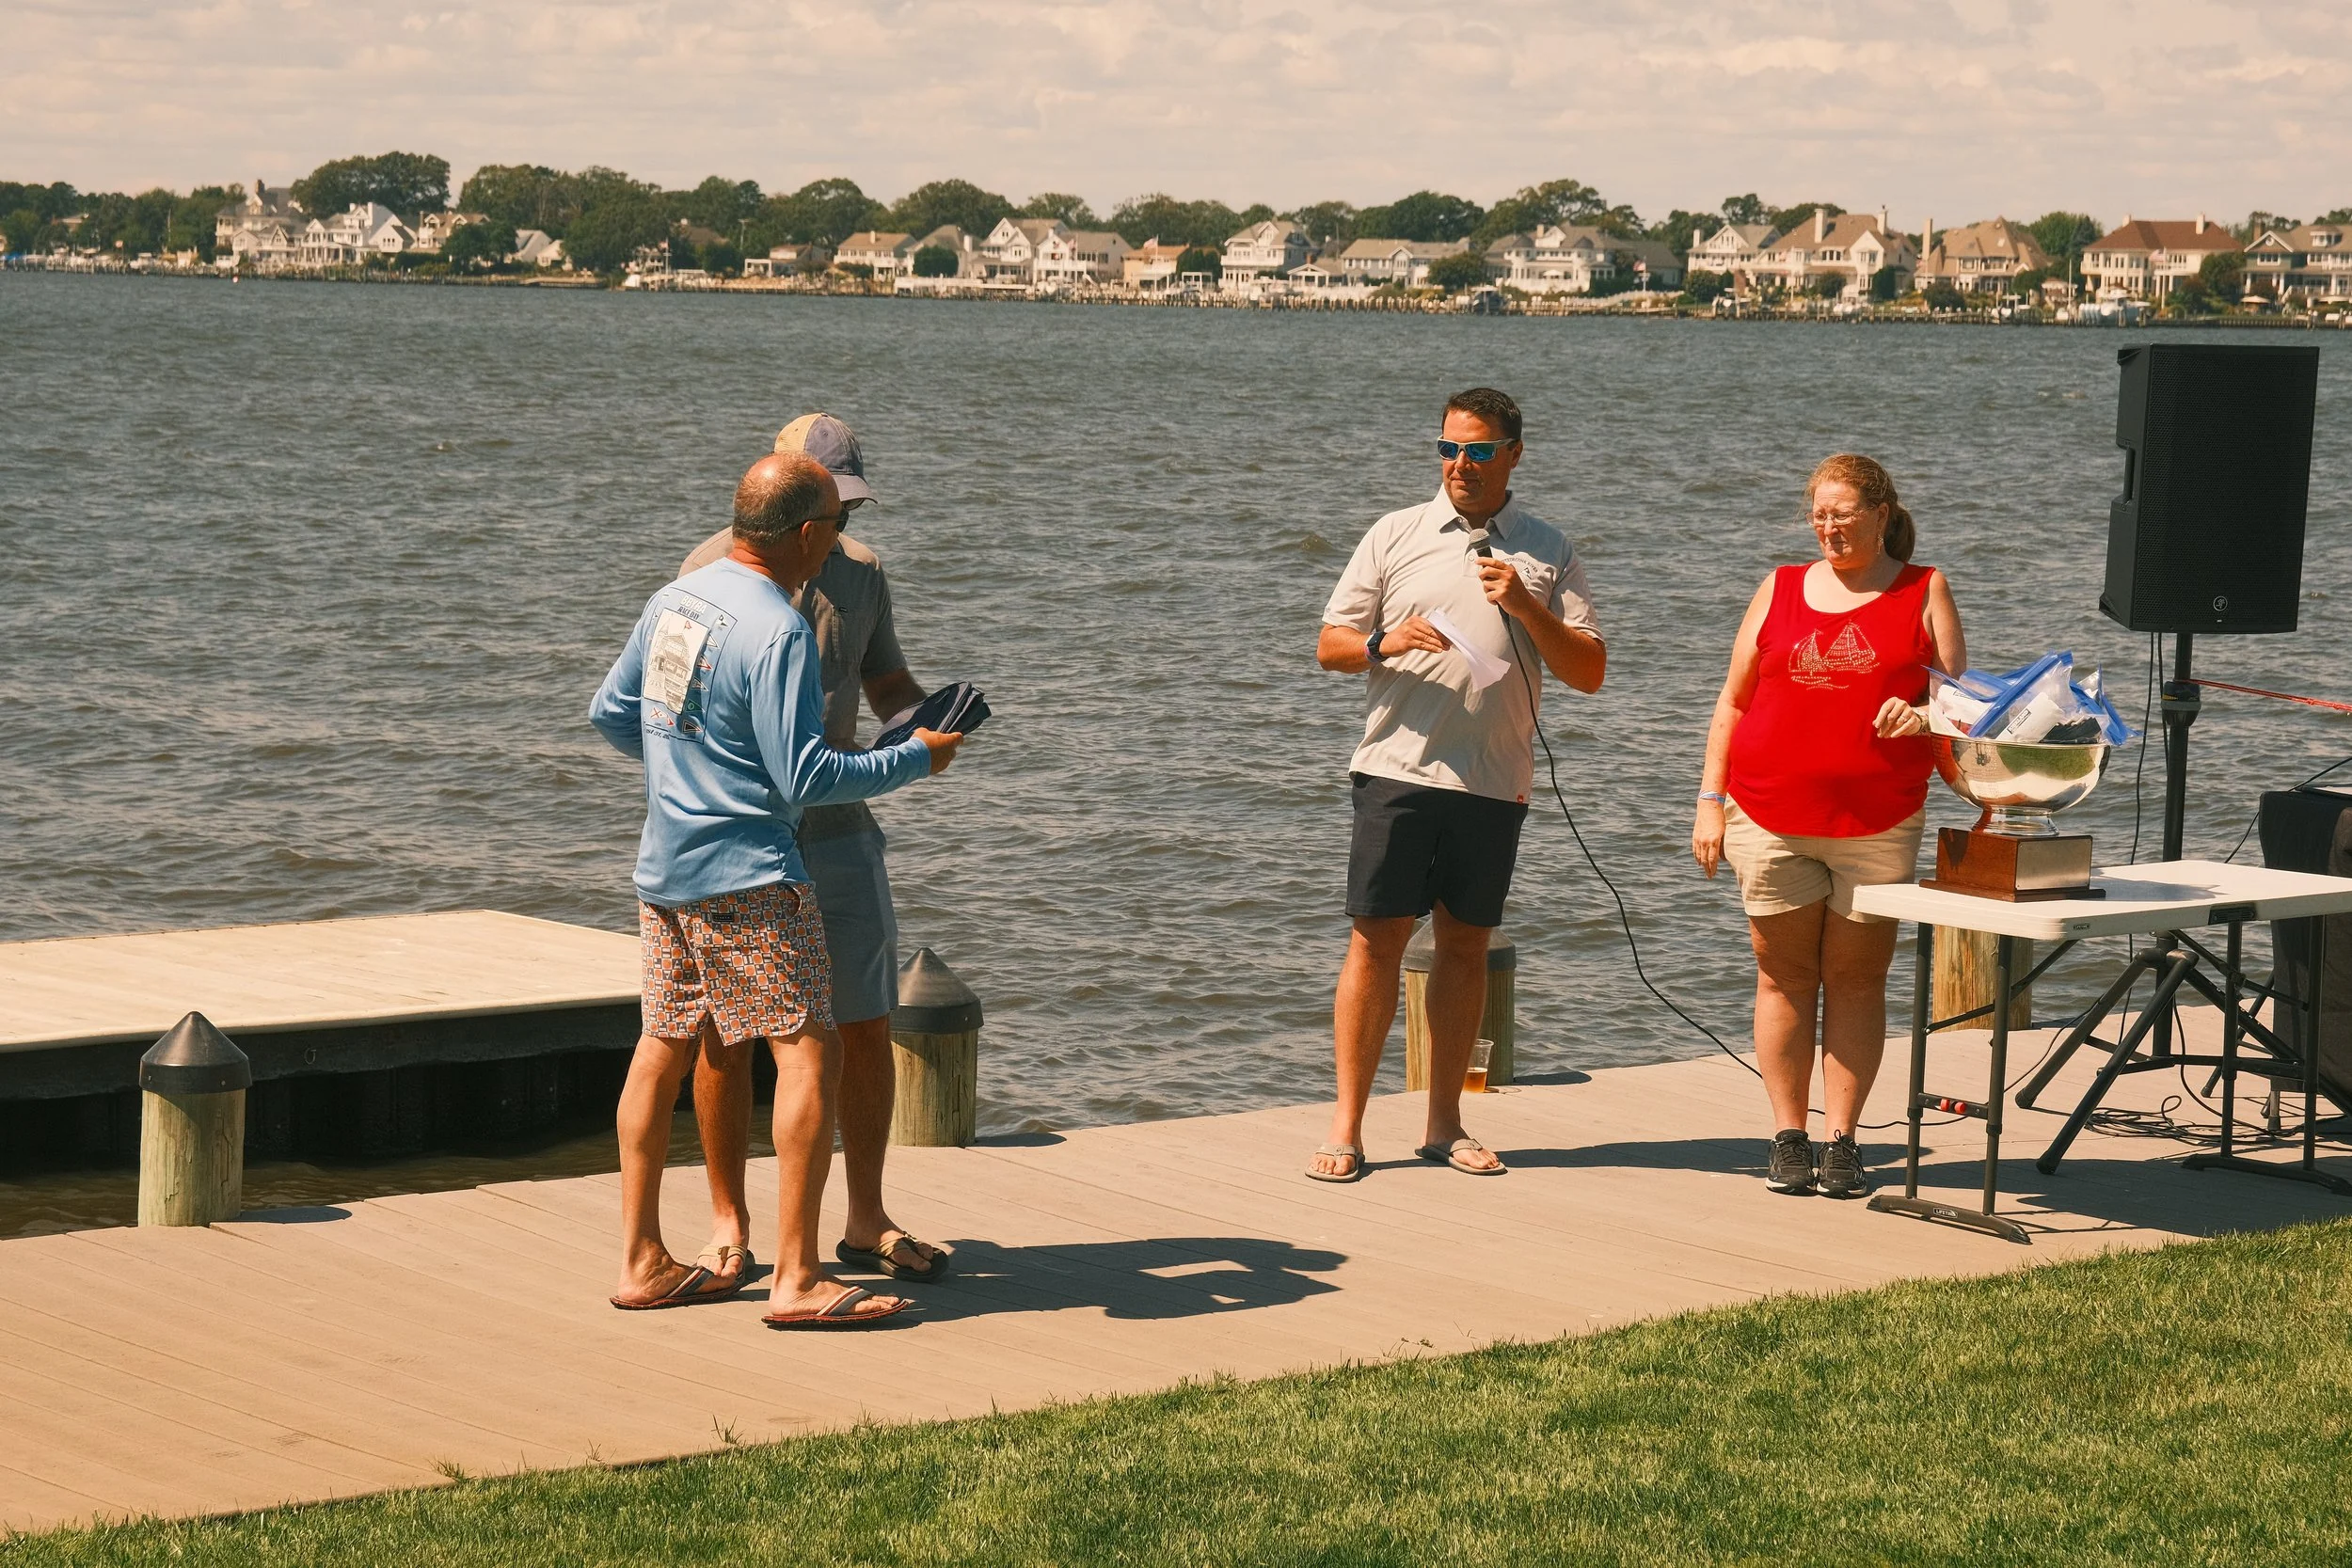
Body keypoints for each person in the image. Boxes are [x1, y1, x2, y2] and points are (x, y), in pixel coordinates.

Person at [590, 451, 961, 1328]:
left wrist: (688, 769)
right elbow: (806, 775)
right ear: (803, 533)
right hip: (752, 872)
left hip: (665, 870)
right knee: (806, 1052)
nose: (838, 542)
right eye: (834, 525)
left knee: (661, 1046)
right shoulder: (780, 627)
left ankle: (642, 1258)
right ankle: (798, 1276)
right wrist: (916, 758)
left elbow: (613, 713)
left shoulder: (675, 600)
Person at [675, 413, 952, 1288]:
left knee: (867, 1022)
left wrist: (925, 722)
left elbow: (885, 680)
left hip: (840, 830)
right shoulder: (705, 572)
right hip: (743, 836)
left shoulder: (862, 572)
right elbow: (663, 710)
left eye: (851, 505)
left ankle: (866, 1218)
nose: (844, 522)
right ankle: (728, 1223)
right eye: (833, 505)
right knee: (726, 1030)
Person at [1310, 388, 1606, 1182]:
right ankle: (1346, 1128)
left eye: (1478, 450)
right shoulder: (1394, 533)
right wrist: (1381, 641)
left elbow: (1589, 671)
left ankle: (1445, 1124)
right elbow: (1330, 645)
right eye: (1448, 448)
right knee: (1375, 942)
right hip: (1396, 771)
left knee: (1466, 945)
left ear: (1514, 453)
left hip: (1493, 780)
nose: (1460, 465)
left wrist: (1528, 608)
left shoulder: (1548, 548)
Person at [1691, 453, 1966, 1199]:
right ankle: (1789, 1136)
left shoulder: (1924, 588)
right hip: (1767, 816)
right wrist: (1710, 798)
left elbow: (1965, 706)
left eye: (1843, 513)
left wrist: (1925, 714)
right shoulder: (1779, 586)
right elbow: (1734, 700)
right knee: (1782, 977)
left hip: (1879, 823)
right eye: (1819, 514)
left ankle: (1842, 1140)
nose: (1829, 527)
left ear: (1882, 514)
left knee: (1856, 979)